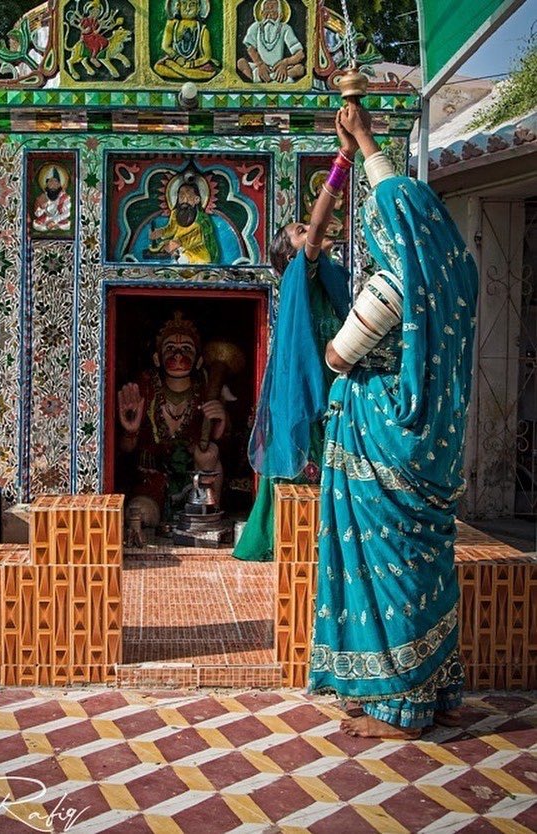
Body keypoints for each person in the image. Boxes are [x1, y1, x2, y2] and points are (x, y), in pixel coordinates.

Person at [308, 102, 478, 738]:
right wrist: (364, 144)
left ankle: (399, 707)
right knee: (426, 561)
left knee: (387, 567)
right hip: (432, 444)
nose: (373, 229)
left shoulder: (390, 289)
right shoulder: (453, 276)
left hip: (381, 443)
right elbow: (399, 198)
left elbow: (336, 355)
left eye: (378, 224)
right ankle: (438, 691)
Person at [234, 111, 353, 561]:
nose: (310, 231)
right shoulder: (300, 275)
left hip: (329, 383)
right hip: (307, 388)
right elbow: (321, 227)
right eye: (300, 232)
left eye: (306, 227)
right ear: (290, 256)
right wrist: (344, 157)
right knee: (301, 471)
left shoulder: (326, 279)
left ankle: (321, 547)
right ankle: (294, 545)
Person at [117, 312, 228, 526]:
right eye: (170, 349)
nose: (178, 356)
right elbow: (125, 449)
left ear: (199, 360)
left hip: (192, 481)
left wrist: (220, 425)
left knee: (209, 453)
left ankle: (206, 511)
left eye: (186, 349)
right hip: (151, 480)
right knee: (140, 513)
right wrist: (130, 430)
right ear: (157, 358)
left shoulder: (207, 391)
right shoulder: (145, 390)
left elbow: (228, 449)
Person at [148, 177, 219, 264]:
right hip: (179, 250)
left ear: (197, 199)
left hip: (198, 255)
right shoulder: (175, 213)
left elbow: (199, 236)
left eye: (189, 197)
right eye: (181, 197)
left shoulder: (202, 218)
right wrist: (161, 232)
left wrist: (179, 242)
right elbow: (171, 229)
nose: (184, 200)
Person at [237, 0, 305, 83]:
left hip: (279, 69)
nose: (269, 15)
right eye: (266, 11)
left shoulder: (285, 28)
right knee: (241, 63)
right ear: (261, 13)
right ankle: (254, 84)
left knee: (300, 69)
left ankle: (274, 78)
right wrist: (260, 64)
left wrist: (285, 63)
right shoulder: (255, 27)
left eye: (273, 11)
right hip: (258, 68)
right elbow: (250, 48)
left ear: (280, 15)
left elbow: (300, 54)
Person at [154, 0, 219, 81]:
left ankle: (182, 72)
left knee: (210, 72)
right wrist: (177, 58)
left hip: (193, 64)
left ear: (198, 8)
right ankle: (190, 75)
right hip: (175, 60)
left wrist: (190, 64)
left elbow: (207, 56)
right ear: (178, 6)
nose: (188, 8)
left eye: (192, 4)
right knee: (158, 67)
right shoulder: (172, 24)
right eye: (184, 3)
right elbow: (165, 46)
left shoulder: (203, 30)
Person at [33, 166, 72, 233]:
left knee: (66, 226)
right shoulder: (41, 197)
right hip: (44, 221)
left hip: (59, 220)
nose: (53, 184)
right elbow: (37, 214)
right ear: (47, 184)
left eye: (56, 182)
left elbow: (67, 213)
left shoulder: (65, 197)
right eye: (50, 182)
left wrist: (54, 221)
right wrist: (42, 208)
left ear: (59, 184)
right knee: (37, 226)